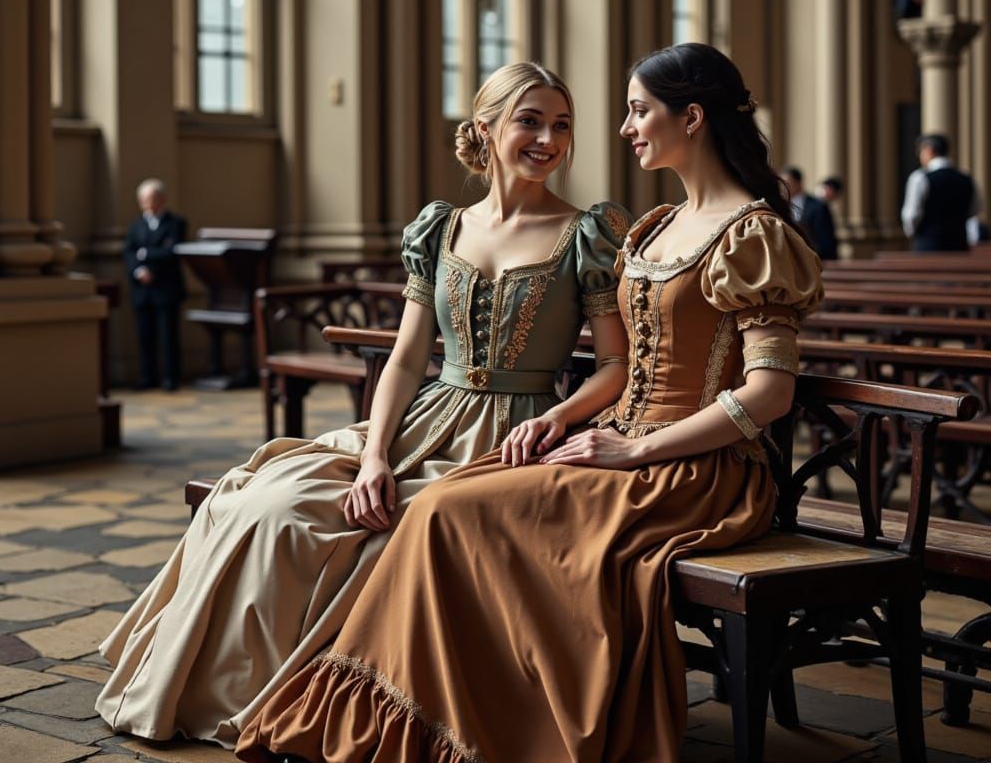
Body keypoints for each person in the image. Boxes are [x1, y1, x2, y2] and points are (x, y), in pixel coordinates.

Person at [235, 43, 824, 763]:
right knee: (441, 506)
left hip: (697, 470)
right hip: (616, 443)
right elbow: (624, 364)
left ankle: (476, 732)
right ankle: (422, 725)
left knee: (446, 512)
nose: (625, 128)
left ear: (692, 118)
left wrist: (633, 448)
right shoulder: (657, 226)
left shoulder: (755, 234)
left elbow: (770, 393)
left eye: (638, 111)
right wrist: (571, 421)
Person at [95, 62, 631, 748]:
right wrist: (375, 456)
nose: (548, 140)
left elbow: (614, 365)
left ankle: (329, 706)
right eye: (530, 121)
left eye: (561, 125)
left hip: (518, 435)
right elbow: (407, 357)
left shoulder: (587, 233)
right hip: (424, 420)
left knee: (393, 536)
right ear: (487, 127)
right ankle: (230, 691)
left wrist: (557, 416)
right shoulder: (441, 229)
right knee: (270, 506)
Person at [124, 178, 187, 391]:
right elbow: (129, 252)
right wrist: (139, 270)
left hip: (166, 289)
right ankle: (147, 376)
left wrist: (146, 255)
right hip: (142, 290)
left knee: (168, 336)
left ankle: (170, 377)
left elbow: (172, 252)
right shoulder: (136, 225)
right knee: (145, 336)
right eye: (143, 199)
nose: (147, 203)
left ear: (162, 199)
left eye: (151, 198)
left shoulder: (176, 223)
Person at [901, 133, 981, 252]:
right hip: (958, 247)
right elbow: (975, 210)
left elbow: (911, 216)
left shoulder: (919, 178)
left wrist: (916, 233)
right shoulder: (966, 179)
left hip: (928, 247)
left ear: (929, 150)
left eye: (921, 151)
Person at [781, 165, 838, 260]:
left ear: (798, 183)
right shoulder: (779, 206)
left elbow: (826, 240)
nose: (784, 186)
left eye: (787, 182)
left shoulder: (818, 207)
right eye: (782, 183)